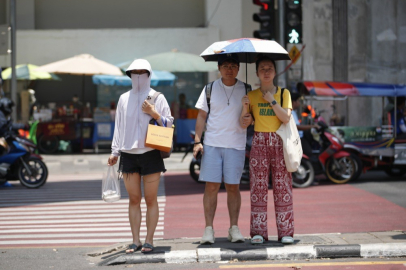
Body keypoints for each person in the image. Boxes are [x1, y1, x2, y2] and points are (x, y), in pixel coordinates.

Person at [107, 59, 173, 254]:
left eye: (142, 72)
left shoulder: (157, 97)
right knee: (134, 199)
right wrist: (114, 151)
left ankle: (149, 240)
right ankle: (135, 240)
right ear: (129, 75)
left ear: (149, 74)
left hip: (151, 153)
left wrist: (153, 112)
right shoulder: (123, 98)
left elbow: (169, 124)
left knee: (151, 199)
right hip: (128, 154)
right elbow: (118, 127)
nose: (138, 76)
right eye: (134, 73)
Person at [194, 53, 251, 244]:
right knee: (211, 187)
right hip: (212, 144)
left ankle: (234, 228)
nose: (229, 69)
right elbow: (202, 116)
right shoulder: (209, 89)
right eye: (225, 65)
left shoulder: (247, 89)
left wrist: (247, 115)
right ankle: (208, 229)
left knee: (233, 187)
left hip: (236, 144)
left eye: (233, 65)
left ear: (238, 68)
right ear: (219, 68)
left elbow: (249, 120)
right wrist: (197, 140)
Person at [241, 55, 295, 245]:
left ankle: (286, 232)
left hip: (279, 141)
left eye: (269, 68)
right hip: (259, 142)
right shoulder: (252, 96)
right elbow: (245, 122)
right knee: (258, 188)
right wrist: (245, 110)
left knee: (283, 188)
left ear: (275, 72)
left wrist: (272, 100)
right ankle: (258, 232)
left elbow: (286, 118)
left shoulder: (283, 93)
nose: (266, 71)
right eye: (262, 68)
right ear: (256, 72)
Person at [291, 92, 319, 157]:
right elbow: (297, 127)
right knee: (309, 153)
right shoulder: (290, 112)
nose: (299, 103)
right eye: (298, 101)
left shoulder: (293, 112)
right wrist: (312, 126)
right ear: (293, 102)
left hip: (300, 137)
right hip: (297, 139)